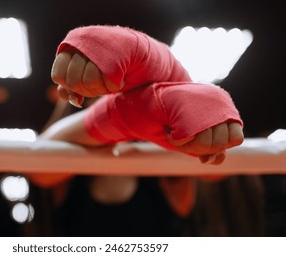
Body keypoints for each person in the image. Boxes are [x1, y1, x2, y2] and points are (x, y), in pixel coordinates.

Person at [26, 25, 258, 237]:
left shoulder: (166, 163)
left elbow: (215, 165)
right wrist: (143, 109)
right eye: (119, 94)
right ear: (82, 101)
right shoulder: (67, 172)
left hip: (155, 138)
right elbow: (38, 167)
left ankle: (144, 91)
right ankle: (157, 84)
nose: (124, 95)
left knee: (198, 138)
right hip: (91, 135)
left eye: (135, 96)